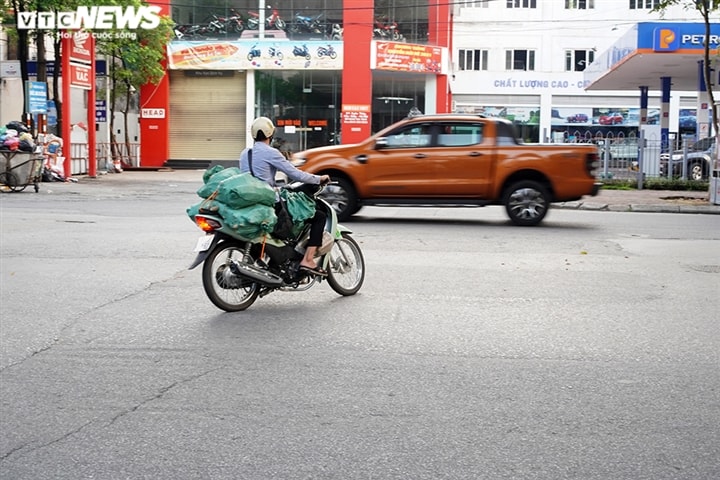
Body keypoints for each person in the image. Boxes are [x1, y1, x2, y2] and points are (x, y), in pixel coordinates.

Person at [239, 117, 331, 276]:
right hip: (269, 202)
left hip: (250, 203)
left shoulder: (244, 154)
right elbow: (295, 174)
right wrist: (319, 178)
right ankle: (308, 260)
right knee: (319, 216)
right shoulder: (271, 152)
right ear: (270, 134)